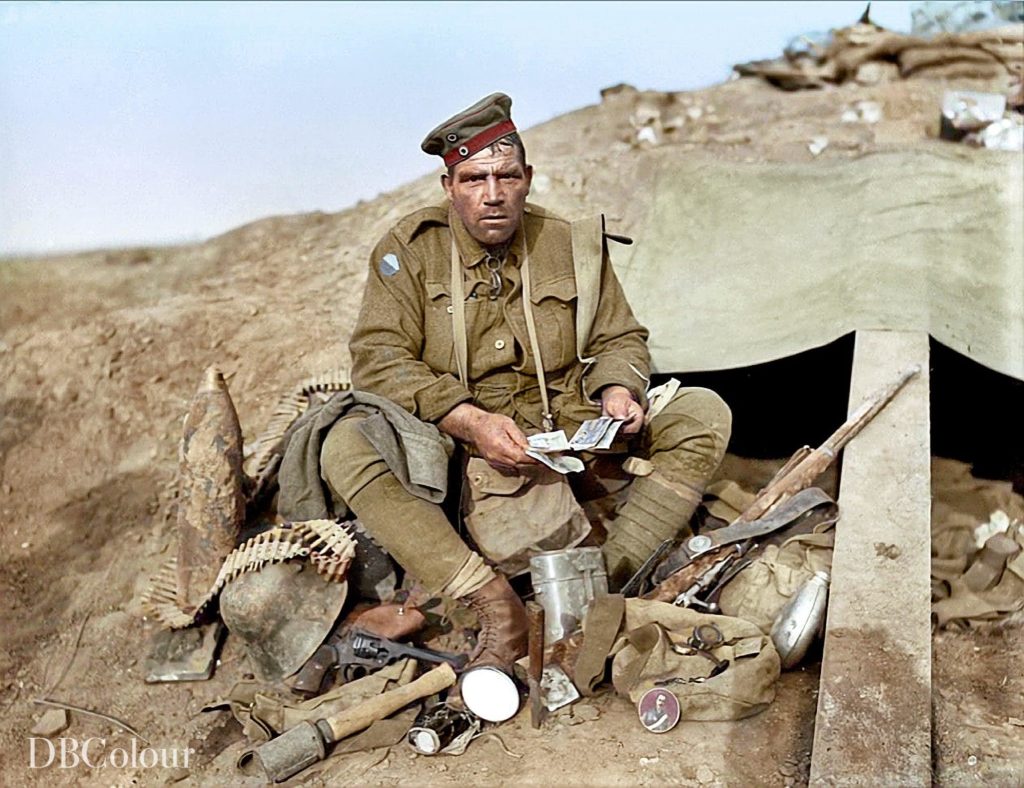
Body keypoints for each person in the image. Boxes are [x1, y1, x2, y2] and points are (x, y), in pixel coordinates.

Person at [318, 92, 731, 678]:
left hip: (565, 432)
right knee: (346, 444)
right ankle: (496, 606)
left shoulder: (569, 242)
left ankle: (602, 586)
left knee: (702, 413)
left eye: (507, 176)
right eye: (474, 178)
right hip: (458, 447)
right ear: (448, 185)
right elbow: (378, 359)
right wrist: (469, 420)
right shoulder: (407, 252)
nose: (492, 194)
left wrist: (619, 391)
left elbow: (622, 338)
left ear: (527, 178)